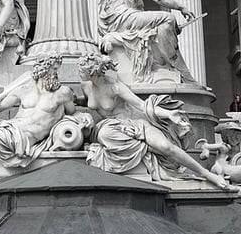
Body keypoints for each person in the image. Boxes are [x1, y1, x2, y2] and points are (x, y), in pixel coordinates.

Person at [78, 54, 232, 188]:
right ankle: (147, 150)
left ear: (94, 73)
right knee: (104, 134)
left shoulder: (115, 87)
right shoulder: (85, 85)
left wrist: (168, 114)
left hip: (133, 123)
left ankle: (206, 174)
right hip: (108, 125)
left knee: (166, 147)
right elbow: (82, 103)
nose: (79, 73)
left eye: (82, 71)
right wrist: (78, 114)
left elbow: (141, 105)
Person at [98, 0, 196, 82]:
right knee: (169, 18)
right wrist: (181, 7)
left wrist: (171, 29)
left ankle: (163, 65)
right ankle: (171, 64)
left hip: (123, 16)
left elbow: (142, 14)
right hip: (121, 16)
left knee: (164, 26)